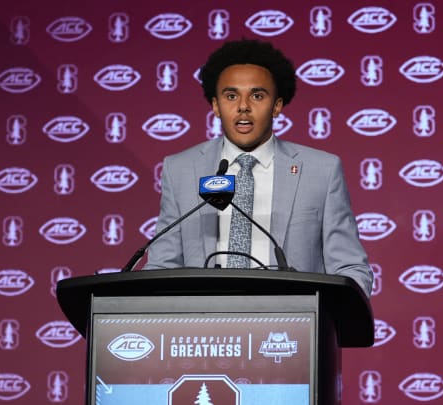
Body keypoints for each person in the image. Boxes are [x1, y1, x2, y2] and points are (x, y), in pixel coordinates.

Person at [143, 39, 373, 297]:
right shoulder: (181, 170)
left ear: (277, 105)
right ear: (215, 106)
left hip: (290, 326)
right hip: (205, 327)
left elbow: (350, 268)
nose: (243, 106)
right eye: (231, 96)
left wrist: (328, 314)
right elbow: (163, 265)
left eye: (257, 95)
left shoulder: (321, 170)